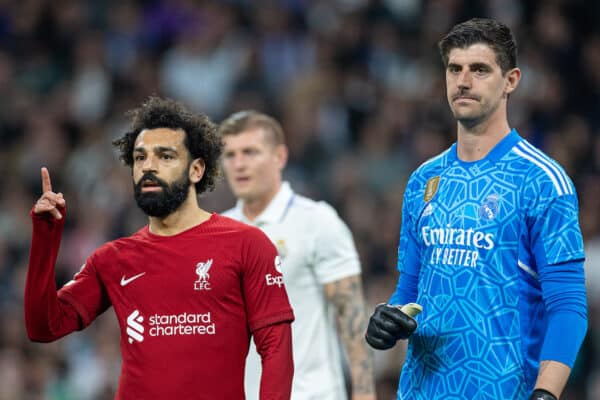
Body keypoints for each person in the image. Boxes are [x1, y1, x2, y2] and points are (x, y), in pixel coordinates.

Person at [364, 18, 587, 400]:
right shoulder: (423, 179)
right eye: (455, 69)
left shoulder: (542, 180)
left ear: (511, 80)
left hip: (504, 390)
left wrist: (546, 393)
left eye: (479, 69)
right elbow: (411, 287)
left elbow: (567, 306)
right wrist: (389, 318)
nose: (464, 81)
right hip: (421, 390)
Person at [24, 96, 295, 400]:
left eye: (165, 156)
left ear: (196, 170)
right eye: (140, 158)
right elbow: (43, 327)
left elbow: (276, 347)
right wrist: (45, 237)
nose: (148, 167)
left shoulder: (247, 244)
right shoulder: (113, 258)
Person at [219, 111, 376, 400]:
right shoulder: (216, 234)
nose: (239, 164)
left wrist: (364, 393)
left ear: (280, 157)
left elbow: (351, 314)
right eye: (230, 154)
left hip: (311, 393)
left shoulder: (317, 222)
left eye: (250, 152)